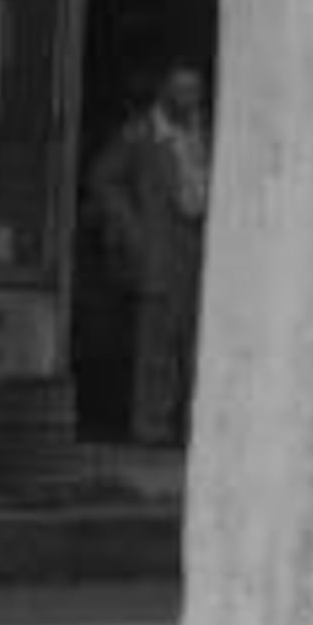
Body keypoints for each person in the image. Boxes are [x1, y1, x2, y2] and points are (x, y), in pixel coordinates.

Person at [85, 67, 211, 445]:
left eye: (195, 91)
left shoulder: (202, 133)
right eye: (181, 91)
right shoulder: (141, 134)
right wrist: (131, 225)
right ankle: (151, 427)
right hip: (161, 244)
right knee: (158, 341)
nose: (190, 99)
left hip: (197, 242)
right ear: (165, 94)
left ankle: (189, 426)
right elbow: (102, 177)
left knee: (195, 341)